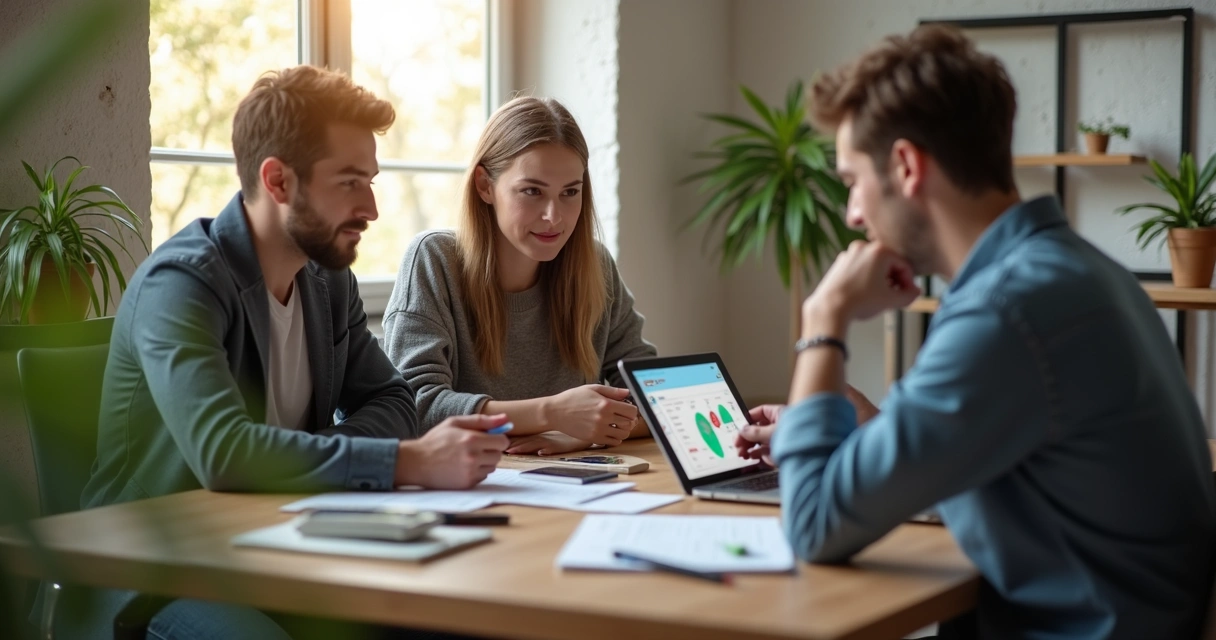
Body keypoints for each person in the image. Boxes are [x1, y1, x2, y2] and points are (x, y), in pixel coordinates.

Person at [736, 25, 1216, 639]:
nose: (852, 214)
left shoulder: (1005, 313)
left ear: (906, 166)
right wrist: (877, 432)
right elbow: (1030, 458)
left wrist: (823, 320)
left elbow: (812, 525)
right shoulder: (1078, 271)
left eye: (853, 181)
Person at [66, 66, 509, 640]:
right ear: (277, 180)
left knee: (454, 618)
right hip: (155, 571)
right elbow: (224, 453)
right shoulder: (180, 284)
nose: (371, 208)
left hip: (286, 547)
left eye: (371, 181)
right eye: (350, 182)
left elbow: (392, 396)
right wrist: (406, 461)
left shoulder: (327, 278)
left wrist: (323, 454)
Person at [382, 97, 656, 456]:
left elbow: (654, 396)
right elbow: (414, 409)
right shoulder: (435, 260)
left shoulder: (595, 266)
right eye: (532, 191)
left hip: (569, 483)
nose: (553, 217)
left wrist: (583, 434)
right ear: (484, 185)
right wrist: (552, 414)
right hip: (469, 488)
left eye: (570, 193)